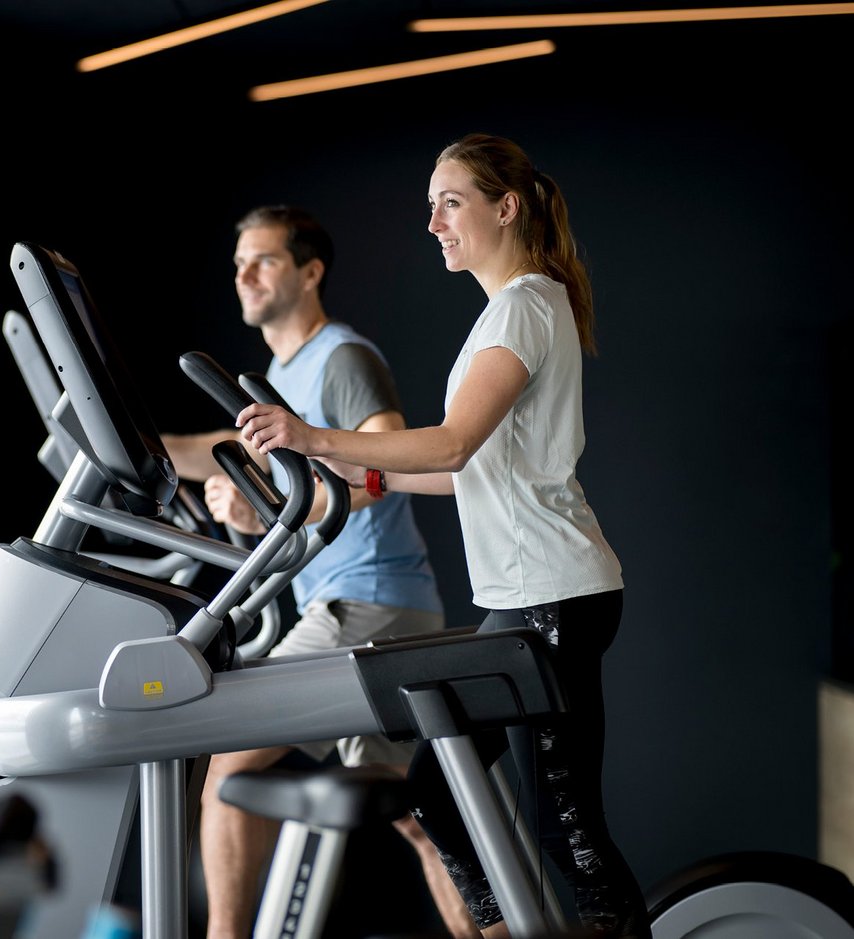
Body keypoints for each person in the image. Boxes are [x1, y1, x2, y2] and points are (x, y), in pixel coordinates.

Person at [233, 136, 651, 938]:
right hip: (534, 597)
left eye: (450, 202)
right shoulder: (514, 309)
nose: (433, 222)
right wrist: (374, 481)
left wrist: (314, 437)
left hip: (553, 595)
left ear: (506, 207)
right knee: (436, 788)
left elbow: (455, 442)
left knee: (570, 829)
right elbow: (471, 470)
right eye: (431, 205)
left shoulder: (525, 304)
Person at [160, 204, 480, 939]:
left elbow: (381, 462)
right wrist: (156, 451)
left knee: (230, 768)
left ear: (310, 272)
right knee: (418, 817)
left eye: (264, 259)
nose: (244, 274)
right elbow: (231, 450)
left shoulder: (341, 356)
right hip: (377, 605)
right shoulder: (279, 373)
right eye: (238, 262)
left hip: (364, 605)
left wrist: (274, 506)